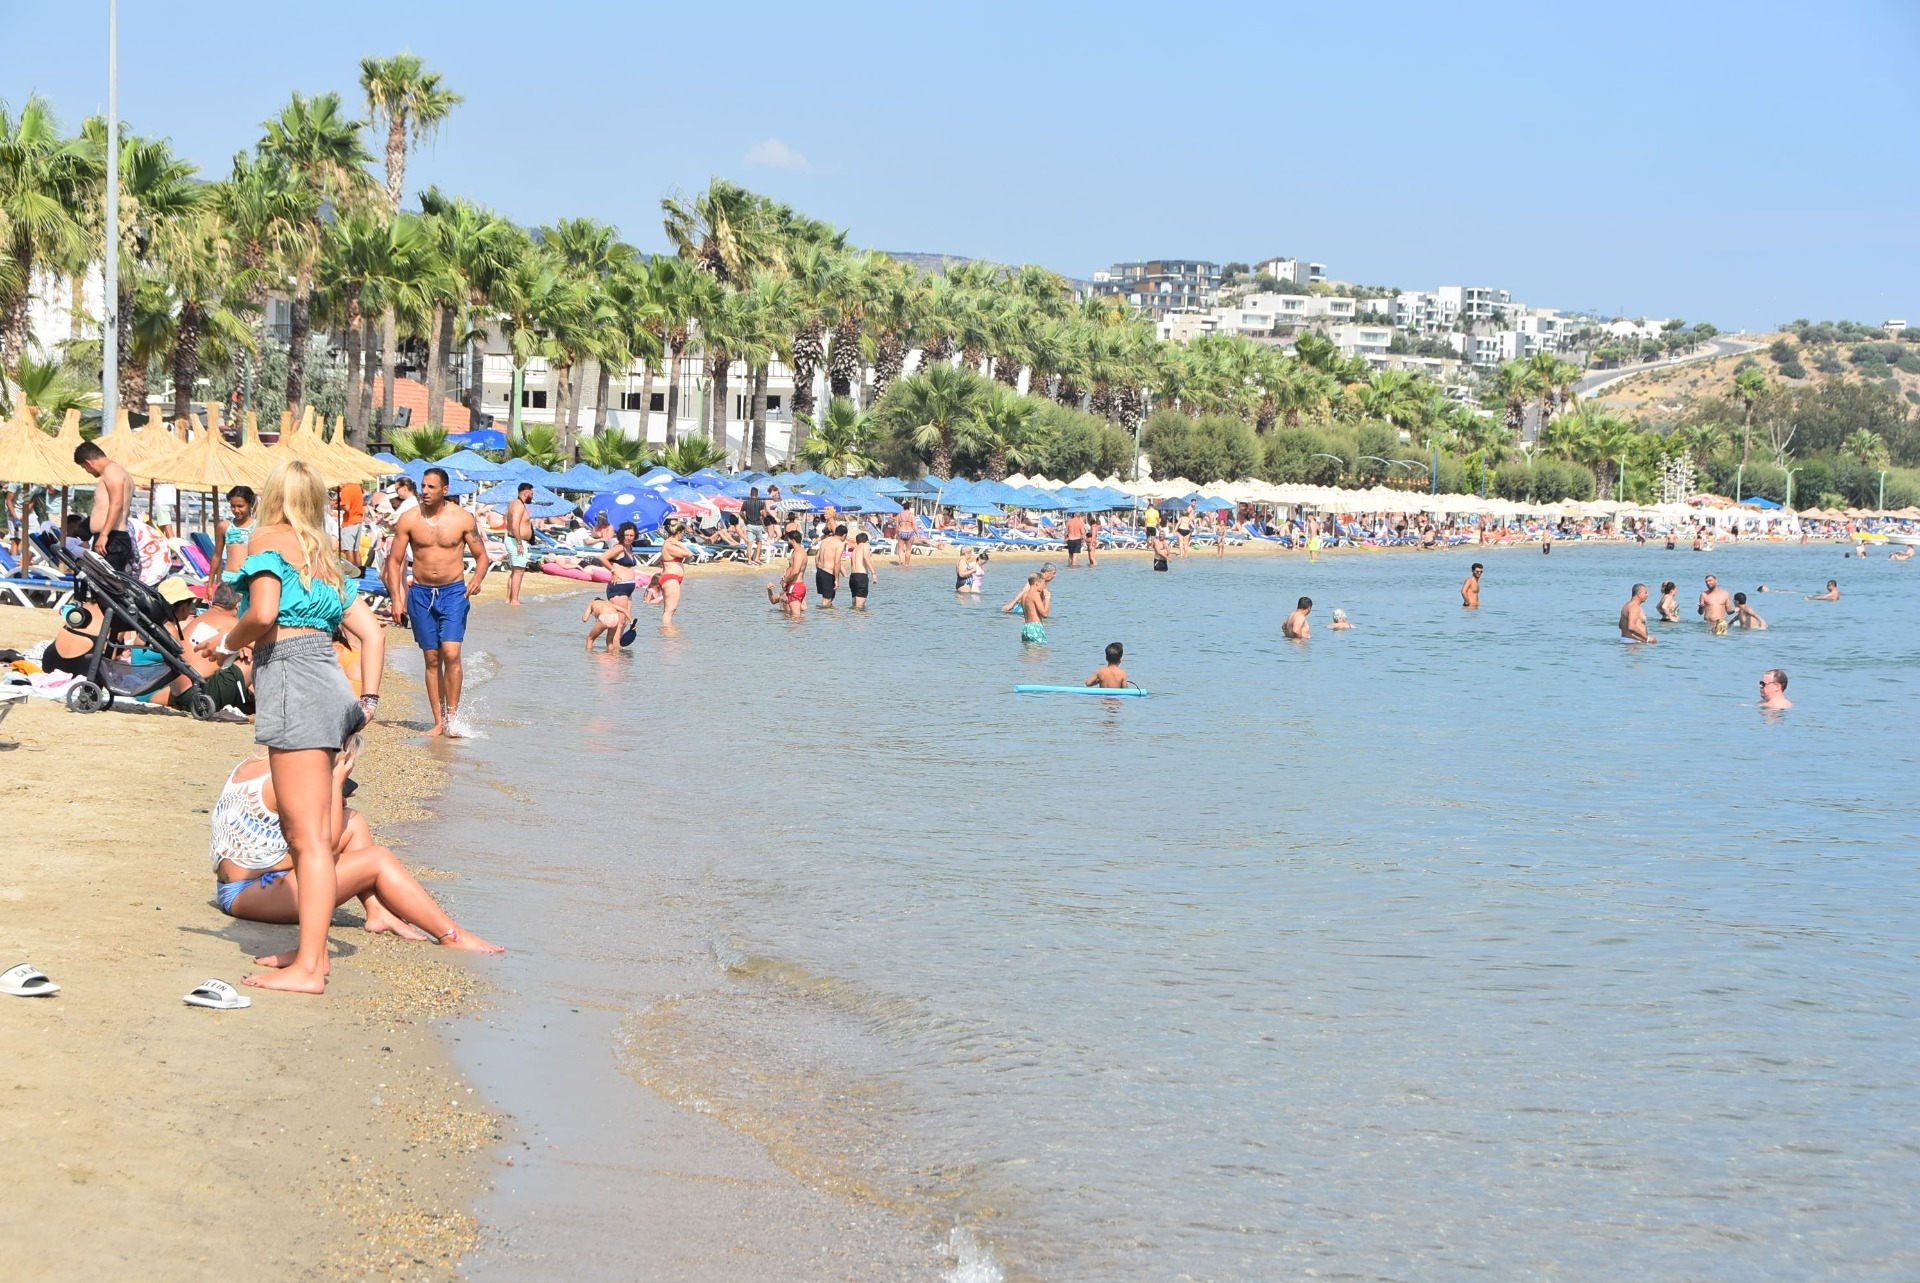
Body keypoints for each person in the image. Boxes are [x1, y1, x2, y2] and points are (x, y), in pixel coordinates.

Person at [193, 459, 384, 994]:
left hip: (293, 684)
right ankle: (311, 954)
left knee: (306, 842)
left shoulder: (263, 540)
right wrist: (366, 700)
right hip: (329, 682)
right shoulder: (323, 556)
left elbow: (264, 613)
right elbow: (372, 634)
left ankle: (310, 968)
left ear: (271, 494)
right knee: (310, 838)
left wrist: (226, 647)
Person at [210, 734, 501, 956]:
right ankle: (451, 935)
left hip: (255, 876)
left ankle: (377, 912)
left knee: (354, 820)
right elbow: (327, 847)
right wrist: (335, 784)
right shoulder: (291, 780)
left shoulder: (262, 762)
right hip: (249, 892)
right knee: (379, 859)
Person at [383, 467, 489, 737]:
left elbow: (482, 556)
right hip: (419, 593)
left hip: (453, 592)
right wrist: (397, 599)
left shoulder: (462, 518)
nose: (425, 492)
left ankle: (453, 719)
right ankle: (439, 722)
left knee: (451, 653)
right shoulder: (409, 519)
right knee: (431, 659)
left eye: (431, 487)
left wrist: (477, 579)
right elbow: (394, 562)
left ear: (445, 489)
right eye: (423, 486)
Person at [72, 441, 135, 576]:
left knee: (110, 588)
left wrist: (104, 534)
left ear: (89, 462)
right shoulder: (118, 472)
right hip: (112, 538)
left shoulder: (112, 471)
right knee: (104, 587)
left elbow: (117, 503)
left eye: (85, 468)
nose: (88, 472)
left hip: (112, 539)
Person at [503, 482, 535, 606]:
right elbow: (515, 524)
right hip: (516, 541)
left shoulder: (514, 504)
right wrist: (520, 542)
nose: (532, 496)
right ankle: (514, 600)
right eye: (532, 494)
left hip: (513, 539)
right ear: (526, 493)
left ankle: (509, 599)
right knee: (519, 571)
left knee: (515, 570)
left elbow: (507, 520)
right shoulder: (518, 505)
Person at [217, 485, 256, 584]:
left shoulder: (258, 527)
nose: (236, 510)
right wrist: (209, 584)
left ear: (250, 504)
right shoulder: (224, 526)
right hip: (228, 578)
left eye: (240, 506)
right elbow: (217, 555)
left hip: (249, 578)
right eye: (233, 506)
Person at [658, 520, 690, 630]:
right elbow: (688, 553)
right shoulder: (670, 545)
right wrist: (680, 544)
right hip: (671, 578)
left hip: (671, 578)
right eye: (683, 533)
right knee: (670, 609)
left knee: (670, 609)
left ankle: (666, 630)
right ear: (679, 532)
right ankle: (667, 632)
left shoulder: (668, 543)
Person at [769, 530, 807, 619]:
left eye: (788, 540)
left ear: (792, 540)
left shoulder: (798, 553)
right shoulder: (797, 552)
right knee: (793, 618)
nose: (787, 542)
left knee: (795, 617)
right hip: (795, 586)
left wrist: (785, 581)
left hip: (796, 586)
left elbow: (795, 571)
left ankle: (798, 632)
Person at [1003, 573, 1048, 644]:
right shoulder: (1035, 595)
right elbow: (1045, 614)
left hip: (1026, 627)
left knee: (1028, 653)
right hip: (1035, 627)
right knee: (1040, 653)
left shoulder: (1024, 595)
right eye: (1043, 583)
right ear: (1036, 584)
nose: (1044, 586)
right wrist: (1047, 598)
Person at [813, 522, 846, 608]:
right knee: (826, 601)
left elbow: (816, 558)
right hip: (828, 573)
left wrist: (819, 570)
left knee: (828, 600)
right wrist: (837, 579)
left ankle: (825, 618)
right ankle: (824, 620)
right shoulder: (839, 544)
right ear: (844, 535)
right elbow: (837, 562)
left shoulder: (825, 541)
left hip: (820, 571)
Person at [740, 486, 768, 563]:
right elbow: (764, 515)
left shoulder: (746, 503)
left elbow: (741, 513)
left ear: (750, 493)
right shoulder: (760, 503)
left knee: (749, 543)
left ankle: (749, 560)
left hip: (749, 524)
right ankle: (756, 558)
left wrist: (745, 519)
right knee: (759, 541)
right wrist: (763, 511)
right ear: (757, 494)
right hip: (758, 524)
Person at [848, 532, 874, 609]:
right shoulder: (865, 545)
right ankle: (860, 621)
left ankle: (853, 620)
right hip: (861, 576)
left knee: (854, 605)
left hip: (853, 577)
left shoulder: (855, 549)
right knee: (860, 606)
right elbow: (866, 558)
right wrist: (874, 573)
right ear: (866, 540)